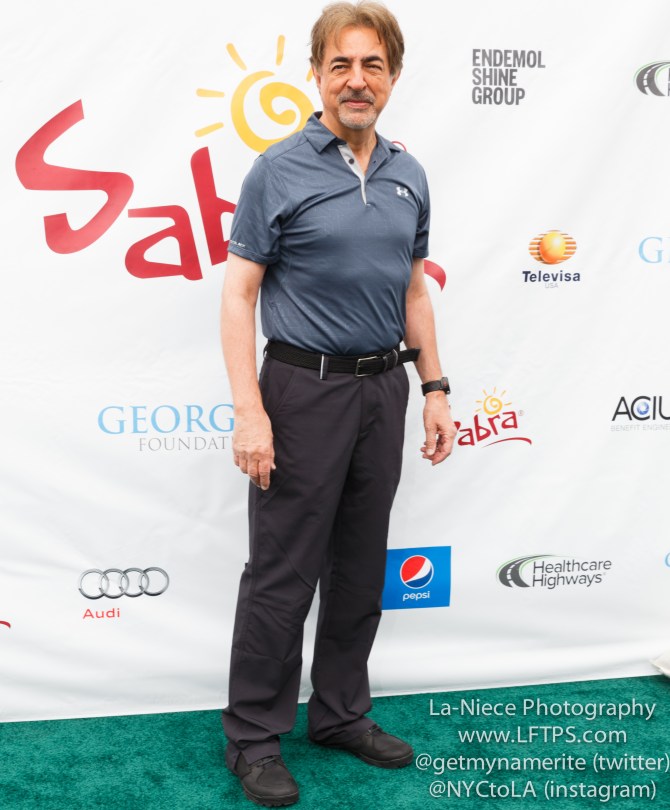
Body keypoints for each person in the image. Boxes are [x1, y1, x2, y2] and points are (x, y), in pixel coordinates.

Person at [220, 1, 456, 805]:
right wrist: (251, 411)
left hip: (381, 390)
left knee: (358, 569)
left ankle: (340, 715)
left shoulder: (407, 172)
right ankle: (252, 736)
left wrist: (434, 387)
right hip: (299, 389)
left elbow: (414, 290)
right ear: (316, 75)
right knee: (283, 574)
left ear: (391, 76)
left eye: (373, 66)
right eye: (341, 65)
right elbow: (239, 294)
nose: (357, 81)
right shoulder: (277, 169)